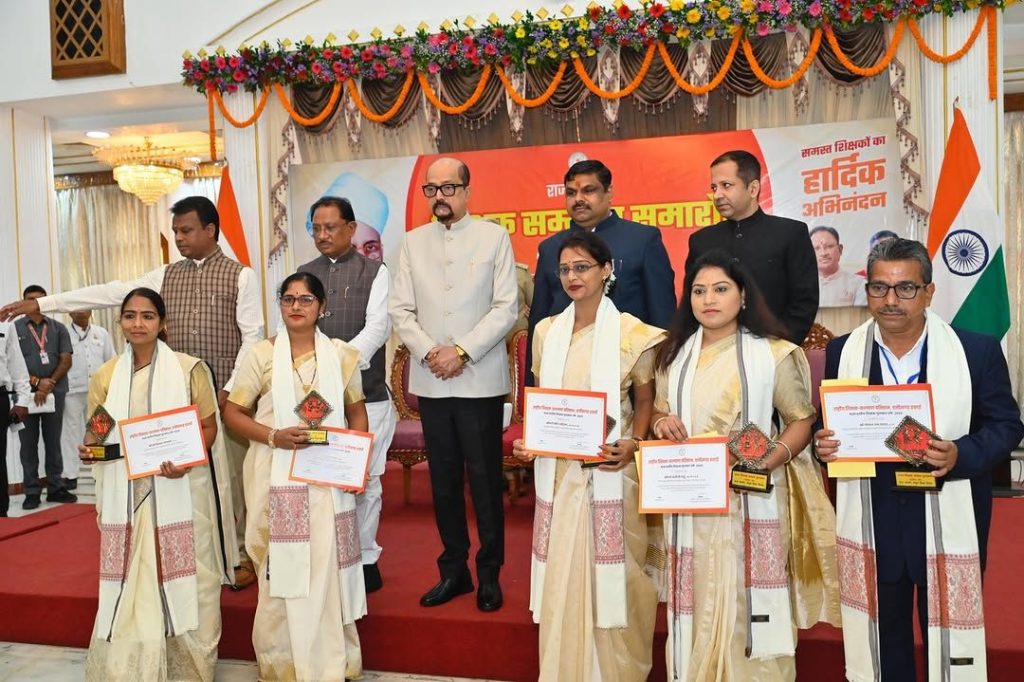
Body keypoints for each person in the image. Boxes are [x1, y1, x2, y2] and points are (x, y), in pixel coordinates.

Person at [0, 196, 260, 587]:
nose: (178, 238)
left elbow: (252, 337)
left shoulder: (241, 276)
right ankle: (188, 559)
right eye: (175, 231)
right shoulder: (165, 276)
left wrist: (231, 390)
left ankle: (235, 556)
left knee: (229, 482)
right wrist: (44, 304)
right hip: (170, 399)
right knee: (182, 486)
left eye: (186, 230)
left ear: (210, 230)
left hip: (223, 398)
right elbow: (110, 292)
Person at [812, 238, 1023, 682]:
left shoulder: (975, 351)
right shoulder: (843, 352)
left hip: (947, 511)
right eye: (879, 288)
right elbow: (830, 425)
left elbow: (1007, 426)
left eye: (905, 288)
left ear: (928, 292)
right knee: (883, 638)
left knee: (945, 639)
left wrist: (961, 453)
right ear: (867, 291)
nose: (891, 300)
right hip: (873, 517)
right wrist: (823, 445)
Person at [651, 250, 840, 681]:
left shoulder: (774, 354)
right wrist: (661, 422)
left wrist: (766, 462)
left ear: (743, 295)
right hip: (691, 500)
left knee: (745, 600)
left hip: (750, 499)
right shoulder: (673, 355)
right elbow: (659, 410)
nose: (708, 300)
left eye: (720, 289)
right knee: (695, 598)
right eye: (699, 291)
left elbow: (801, 420)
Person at [512, 230, 666, 680]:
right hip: (559, 475)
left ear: (607, 270)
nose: (572, 277)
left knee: (617, 578)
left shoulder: (634, 334)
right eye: (564, 269)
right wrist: (530, 440)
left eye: (582, 267)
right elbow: (543, 401)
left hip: (612, 471)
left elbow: (645, 400)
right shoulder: (546, 332)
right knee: (564, 573)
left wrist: (635, 444)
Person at [223, 272, 368, 681]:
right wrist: (274, 436)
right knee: (280, 566)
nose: (296, 306)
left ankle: (331, 661)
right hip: (276, 472)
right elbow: (233, 412)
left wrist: (354, 461)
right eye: (288, 299)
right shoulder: (261, 355)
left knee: (324, 563)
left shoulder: (341, 355)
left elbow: (356, 411)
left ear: (322, 307)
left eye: (306, 299)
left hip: (327, 477)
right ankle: (283, 662)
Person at [389, 157, 517, 611]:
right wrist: (430, 352)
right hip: (433, 382)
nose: (439, 196)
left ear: (466, 191)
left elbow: (506, 308)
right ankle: (454, 572)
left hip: (479, 381)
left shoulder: (493, 237)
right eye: (431, 189)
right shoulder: (412, 242)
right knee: (442, 483)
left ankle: (489, 574)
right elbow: (400, 309)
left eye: (448, 188)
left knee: (485, 482)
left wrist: (460, 351)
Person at [80, 288, 221, 681]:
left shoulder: (190, 370)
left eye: (147, 316)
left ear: (163, 323)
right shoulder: (107, 375)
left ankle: (188, 666)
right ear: (120, 322)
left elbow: (208, 428)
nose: (138, 324)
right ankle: (134, 664)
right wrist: (90, 449)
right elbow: (98, 431)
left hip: (180, 488)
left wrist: (184, 462)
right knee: (134, 577)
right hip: (126, 496)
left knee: (191, 575)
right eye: (130, 316)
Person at [297, 195, 396, 593]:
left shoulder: (375, 271)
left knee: (366, 479)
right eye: (316, 228)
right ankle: (328, 555)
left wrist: (337, 364)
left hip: (367, 395)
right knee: (319, 477)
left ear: (351, 229)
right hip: (315, 397)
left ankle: (366, 557)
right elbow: (295, 326)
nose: (322, 235)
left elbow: (378, 328)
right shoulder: (305, 274)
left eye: (331, 227)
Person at [528, 159, 676, 380]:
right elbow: (539, 318)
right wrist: (531, 389)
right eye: (571, 193)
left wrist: (663, 379)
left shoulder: (642, 240)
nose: (578, 199)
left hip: (628, 371)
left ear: (609, 192)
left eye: (589, 190)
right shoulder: (550, 248)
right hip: (563, 373)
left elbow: (662, 314)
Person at [686, 150, 818, 345]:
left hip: (774, 348)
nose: (717, 195)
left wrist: (779, 348)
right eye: (714, 187)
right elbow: (691, 303)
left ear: (753, 189)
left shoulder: (790, 233)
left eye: (726, 185)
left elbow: (804, 301)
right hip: (715, 351)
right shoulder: (701, 241)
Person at [15, 285, 75, 509]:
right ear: (23, 302)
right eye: (30, 299)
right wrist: (37, 383)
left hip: (55, 393)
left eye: (40, 299)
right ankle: (31, 491)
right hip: (25, 396)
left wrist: (48, 384)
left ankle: (56, 488)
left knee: (53, 442)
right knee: (27, 445)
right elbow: (12, 363)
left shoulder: (59, 328)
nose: (35, 303)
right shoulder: (14, 329)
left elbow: (66, 359)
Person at [61, 309, 115, 490]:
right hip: (72, 391)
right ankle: (70, 475)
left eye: (85, 308)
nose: (81, 312)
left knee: (99, 432)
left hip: (98, 391)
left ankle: (98, 471)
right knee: (70, 433)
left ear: (91, 311)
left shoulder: (101, 333)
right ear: (70, 313)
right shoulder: (63, 333)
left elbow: (111, 361)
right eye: (77, 309)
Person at [1, 320, 31, 517]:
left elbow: (16, 363)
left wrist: (23, 400)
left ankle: (1, 514)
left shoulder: (4, 322)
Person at [810, 226, 867, 307]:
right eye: (817, 248)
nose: (823, 253)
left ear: (840, 249)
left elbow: (861, 314)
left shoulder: (859, 284)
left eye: (829, 246)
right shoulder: (798, 286)